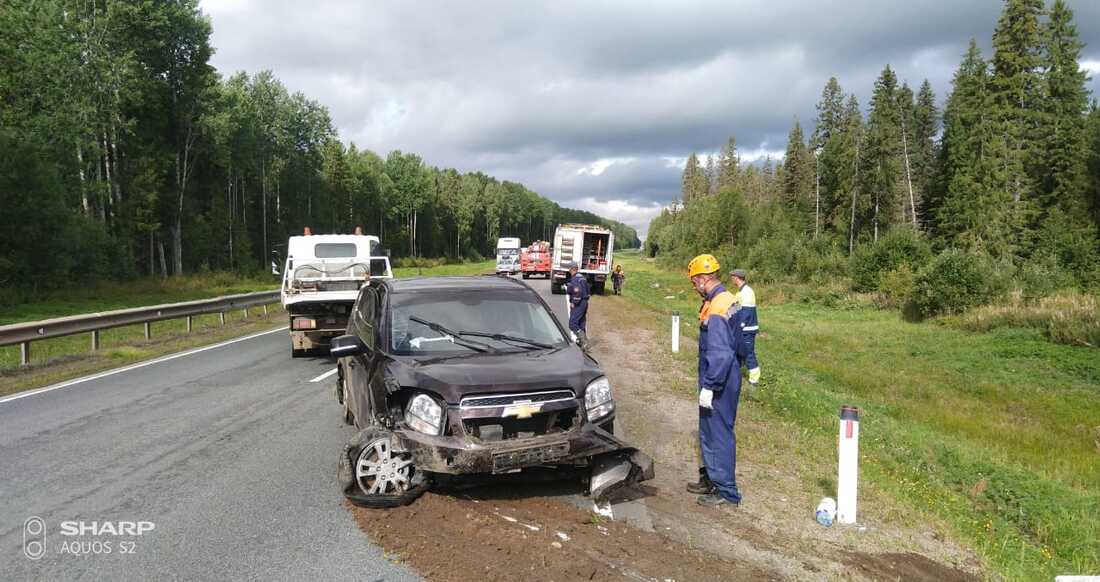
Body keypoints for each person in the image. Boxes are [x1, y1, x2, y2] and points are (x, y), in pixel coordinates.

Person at [685, 254, 743, 507]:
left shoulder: (718, 305)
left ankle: (726, 491)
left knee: (718, 432)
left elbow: (720, 352)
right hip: (726, 372)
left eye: (693, 281)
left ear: (702, 278)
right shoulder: (726, 299)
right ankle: (711, 477)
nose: (693, 286)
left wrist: (710, 385)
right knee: (708, 430)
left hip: (720, 377)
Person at [730, 268, 760, 387]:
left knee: (748, 353)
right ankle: (736, 374)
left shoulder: (747, 292)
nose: (731, 279)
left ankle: (754, 380)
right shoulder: (740, 292)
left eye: (732, 277)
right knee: (738, 351)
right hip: (742, 328)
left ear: (736, 278)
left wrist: (739, 326)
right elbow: (735, 309)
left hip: (747, 328)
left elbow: (746, 313)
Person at [565, 262, 590, 348]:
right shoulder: (583, 278)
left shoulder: (575, 279)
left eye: (569, 268)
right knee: (581, 322)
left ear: (571, 269)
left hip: (579, 303)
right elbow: (588, 290)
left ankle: (584, 341)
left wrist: (574, 302)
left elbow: (577, 291)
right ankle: (582, 342)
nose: (568, 270)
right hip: (585, 302)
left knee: (572, 323)